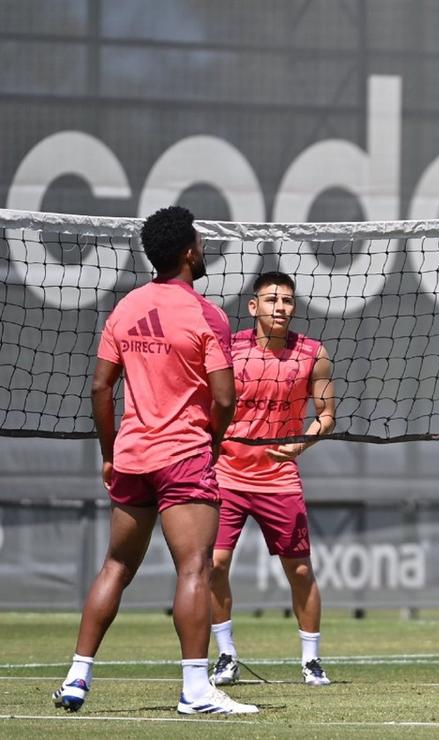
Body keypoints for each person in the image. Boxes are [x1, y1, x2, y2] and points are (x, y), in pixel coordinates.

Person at [53, 205, 258, 715]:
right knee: (195, 569)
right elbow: (227, 399)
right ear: (189, 251)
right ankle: (195, 689)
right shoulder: (206, 314)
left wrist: (109, 452)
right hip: (183, 457)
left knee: (116, 565)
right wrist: (210, 446)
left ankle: (77, 677)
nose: (204, 249)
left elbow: (101, 387)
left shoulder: (125, 307)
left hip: (131, 458)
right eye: (201, 243)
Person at [208, 271, 335, 687]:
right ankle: (226, 655)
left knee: (299, 572)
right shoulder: (228, 350)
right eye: (271, 300)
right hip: (227, 473)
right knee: (214, 564)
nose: (280, 308)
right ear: (253, 307)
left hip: (279, 477)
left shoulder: (313, 354)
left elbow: (327, 416)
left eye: (287, 302)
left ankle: (311, 659)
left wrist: (302, 443)